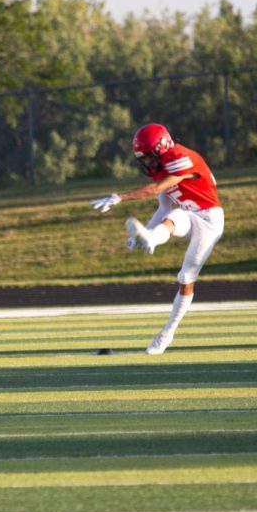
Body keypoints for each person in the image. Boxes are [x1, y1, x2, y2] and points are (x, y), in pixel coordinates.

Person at [90, 123, 224, 355]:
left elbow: (154, 189)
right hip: (189, 214)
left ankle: (166, 335)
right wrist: (145, 234)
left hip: (210, 221)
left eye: (150, 157)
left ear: (163, 148)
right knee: (174, 215)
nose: (148, 163)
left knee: (185, 278)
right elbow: (163, 209)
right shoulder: (161, 165)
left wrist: (120, 197)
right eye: (144, 159)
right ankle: (150, 240)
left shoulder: (181, 157)